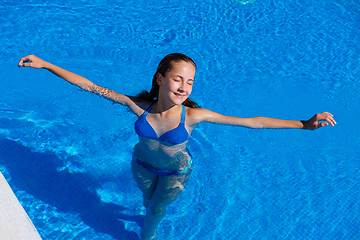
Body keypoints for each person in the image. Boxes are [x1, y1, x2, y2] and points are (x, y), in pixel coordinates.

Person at [18, 53, 336, 240]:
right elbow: (90, 86)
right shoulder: (136, 105)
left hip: (175, 173)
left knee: (156, 210)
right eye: (177, 79)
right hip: (141, 166)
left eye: (190, 82)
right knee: (147, 200)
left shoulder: (194, 115)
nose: (184, 87)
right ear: (160, 79)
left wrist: (303, 124)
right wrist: (45, 64)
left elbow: (251, 121)